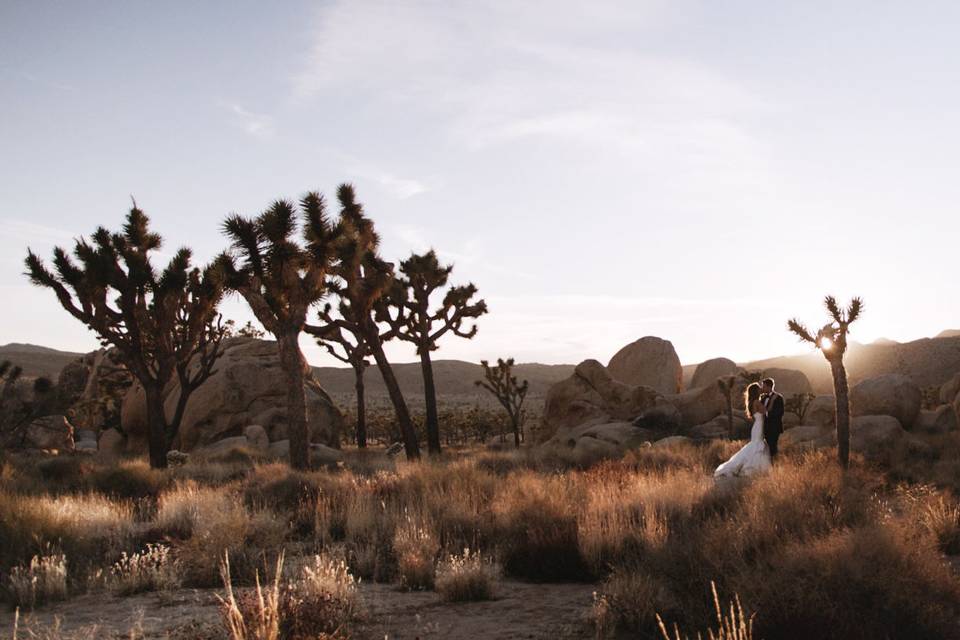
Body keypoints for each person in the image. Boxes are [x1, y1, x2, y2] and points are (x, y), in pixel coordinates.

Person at [714, 382, 771, 479]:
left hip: (757, 426)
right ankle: (753, 469)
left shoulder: (753, 402)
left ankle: (754, 468)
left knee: (756, 445)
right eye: (759, 388)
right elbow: (766, 411)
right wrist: (769, 399)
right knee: (757, 446)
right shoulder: (757, 402)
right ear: (755, 391)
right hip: (759, 426)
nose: (760, 389)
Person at [760, 377, 784, 463]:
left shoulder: (778, 398)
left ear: (769, 387)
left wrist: (766, 413)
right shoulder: (763, 397)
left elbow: (780, 413)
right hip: (764, 427)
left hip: (774, 427)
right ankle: (768, 464)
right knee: (766, 447)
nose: (762, 388)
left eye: (764, 386)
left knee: (773, 446)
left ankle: (775, 465)